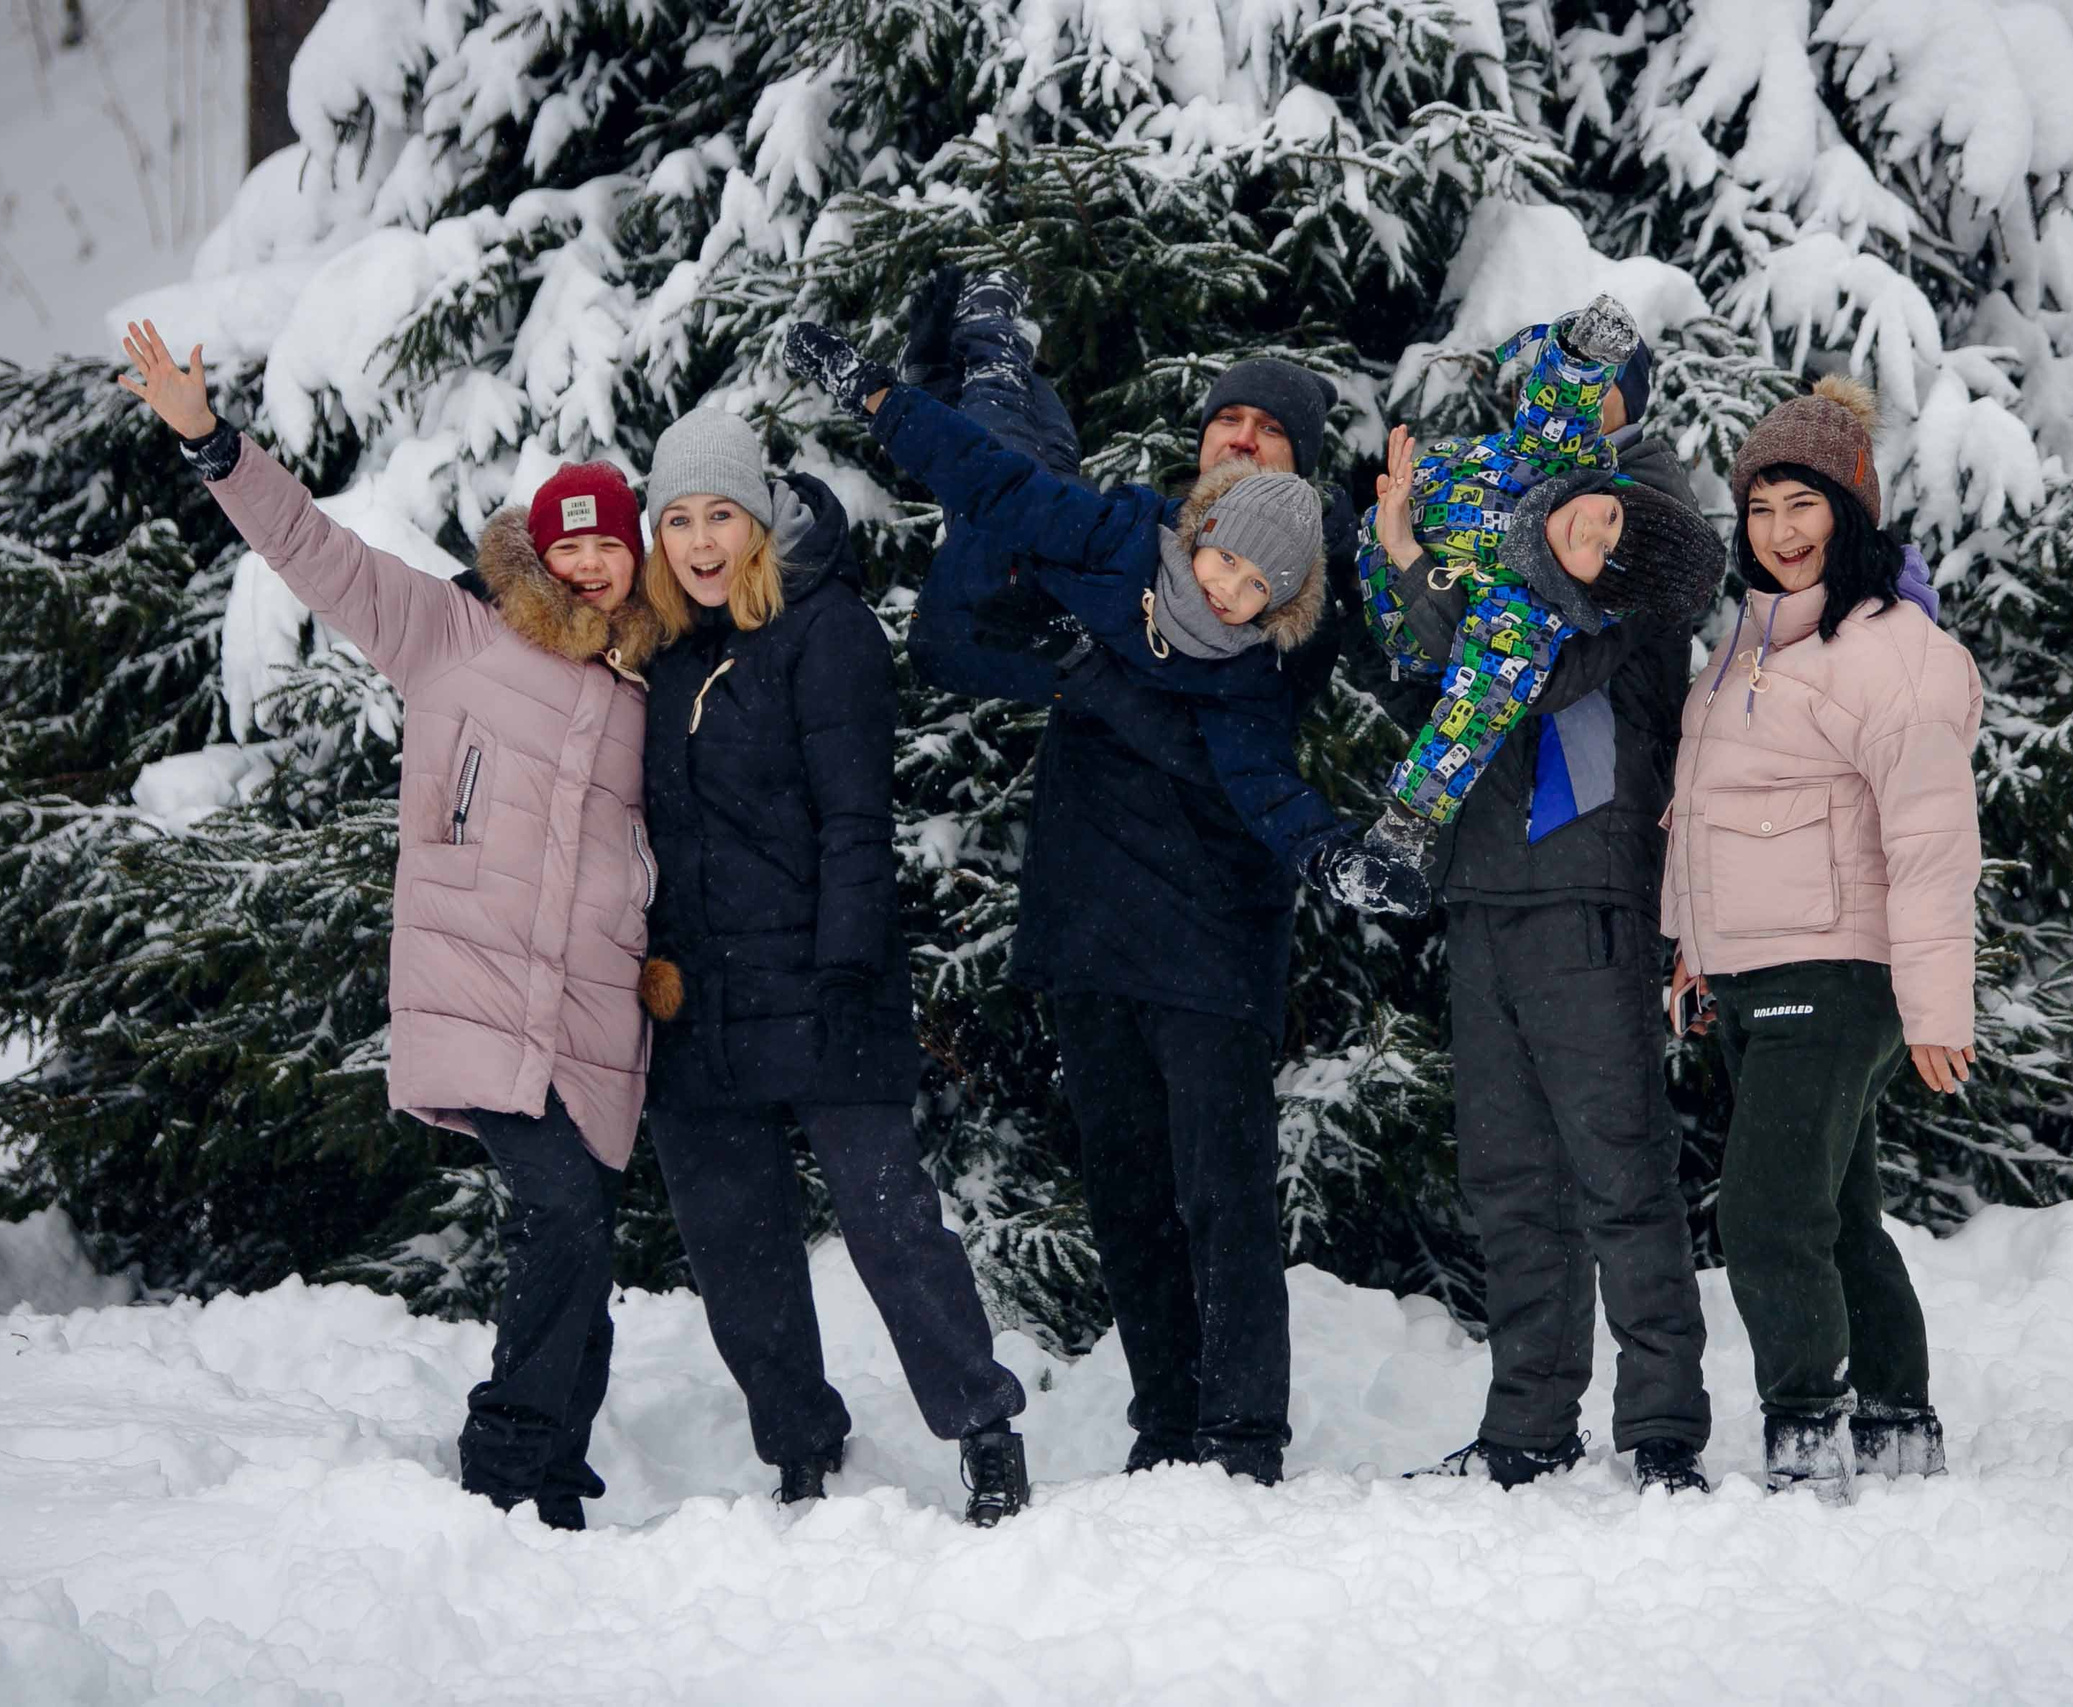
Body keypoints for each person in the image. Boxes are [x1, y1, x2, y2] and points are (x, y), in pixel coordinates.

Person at [785, 284, 1349, 1485]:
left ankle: (1243, 1435)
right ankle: (1166, 1426)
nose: (1238, 441)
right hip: (1088, 912)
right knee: (1130, 1197)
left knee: (1222, 1196)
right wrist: (883, 397)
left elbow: (1251, 731)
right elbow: (993, 502)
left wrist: (1099, 671)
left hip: (1212, 928)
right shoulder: (1128, 537)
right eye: (1224, 425)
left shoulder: (1294, 593)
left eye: (1268, 433)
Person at [117, 321, 660, 1531]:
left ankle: (557, 1462)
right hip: (477, 993)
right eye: (563, 547)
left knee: (578, 1243)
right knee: (564, 1217)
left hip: (593, 1009)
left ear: (632, 564)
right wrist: (214, 446)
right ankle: (510, 1465)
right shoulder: (455, 635)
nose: (584, 569)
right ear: (535, 556)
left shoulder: (648, 695)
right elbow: (320, 553)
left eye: (605, 550)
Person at [629, 406, 1031, 1527]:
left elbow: (858, 814)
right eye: (678, 520)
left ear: (757, 523)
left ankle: (983, 1428)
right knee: (734, 1246)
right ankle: (800, 1445)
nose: (701, 541)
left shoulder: (823, 628)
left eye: (721, 515)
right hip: (696, 998)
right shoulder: (653, 652)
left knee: (889, 1222)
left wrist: (849, 964)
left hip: (819, 979)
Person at [787, 309, 1429, 918]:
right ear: (1202, 527)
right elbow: (993, 481)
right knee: (1013, 463)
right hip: (994, 599)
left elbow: (1264, 781)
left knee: (1031, 464)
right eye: (1228, 558)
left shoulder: (1247, 669)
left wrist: (1336, 857)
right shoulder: (1126, 535)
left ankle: (992, 355)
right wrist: (872, 392)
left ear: (1282, 601)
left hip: (1188, 892)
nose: (1231, 590)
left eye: (1258, 584)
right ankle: (992, 348)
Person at [1372, 400, 1717, 1495]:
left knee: (1619, 1167)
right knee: (1510, 1174)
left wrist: (1430, 562)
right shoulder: (1520, 521)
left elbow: (1535, 661)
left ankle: (1663, 1424)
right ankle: (1528, 1419)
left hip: (1585, 890)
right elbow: (1426, 664)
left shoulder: (1642, 547)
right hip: (1483, 894)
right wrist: (1406, 552)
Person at [1661, 374, 1982, 1499]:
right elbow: (1710, 812)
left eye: (1803, 506)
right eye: (1759, 508)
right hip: (1756, 972)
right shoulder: (1752, 642)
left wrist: (1940, 1006)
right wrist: (1692, 947)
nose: (1781, 532)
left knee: (1765, 1211)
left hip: (1837, 972)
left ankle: (1804, 1430)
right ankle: (1896, 1422)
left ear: (1850, 511)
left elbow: (1934, 839)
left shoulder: (1891, 650)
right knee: (1836, 1211)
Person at [1351, 298, 1723, 887]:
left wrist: (1404, 827)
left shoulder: (1524, 622)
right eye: (1611, 518)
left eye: (1602, 556)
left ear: (1599, 590)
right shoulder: (1558, 463)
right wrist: (1582, 352)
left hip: (1382, 591)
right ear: (1614, 491)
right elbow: (1561, 404)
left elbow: (1467, 725)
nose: (1589, 529)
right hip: (1404, 493)